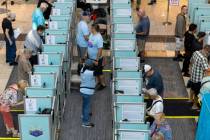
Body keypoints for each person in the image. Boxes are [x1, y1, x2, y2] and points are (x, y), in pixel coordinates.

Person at [189, 45, 210, 110]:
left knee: (192, 88)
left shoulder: (196, 52)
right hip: (198, 78)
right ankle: (194, 106)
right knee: (197, 92)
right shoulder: (203, 58)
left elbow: (191, 61)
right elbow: (207, 69)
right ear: (207, 51)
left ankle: (190, 100)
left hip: (193, 75)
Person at [86, 24, 106, 90]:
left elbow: (100, 50)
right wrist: (87, 53)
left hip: (97, 59)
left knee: (99, 72)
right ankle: (98, 82)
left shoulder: (99, 37)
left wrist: (97, 60)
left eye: (91, 28)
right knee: (96, 72)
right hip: (91, 57)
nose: (90, 29)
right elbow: (89, 44)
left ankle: (103, 84)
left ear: (94, 29)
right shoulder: (91, 35)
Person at [79, 63, 96, 128]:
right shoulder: (91, 73)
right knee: (87, 106)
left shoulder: (82, 70)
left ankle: (84, 115)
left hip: (82, 90)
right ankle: (85, 123)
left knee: (85, 104)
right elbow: (98, 71)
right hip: (87, 91)